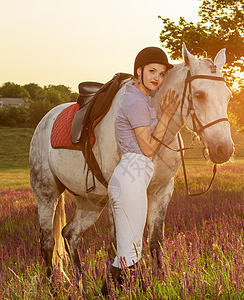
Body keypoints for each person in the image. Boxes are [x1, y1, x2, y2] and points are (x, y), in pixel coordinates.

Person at [101, 46, 180, 295]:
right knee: (131, 251)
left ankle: (110, 292)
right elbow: (147, 148)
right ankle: (134, 291)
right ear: (139, 71)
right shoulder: (136, 102)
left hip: (134, 176)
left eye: (162, 73)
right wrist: (166, 115)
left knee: (129, 249)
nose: (157, 77)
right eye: (151, 71)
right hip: (132, 176)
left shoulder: (141, 98)